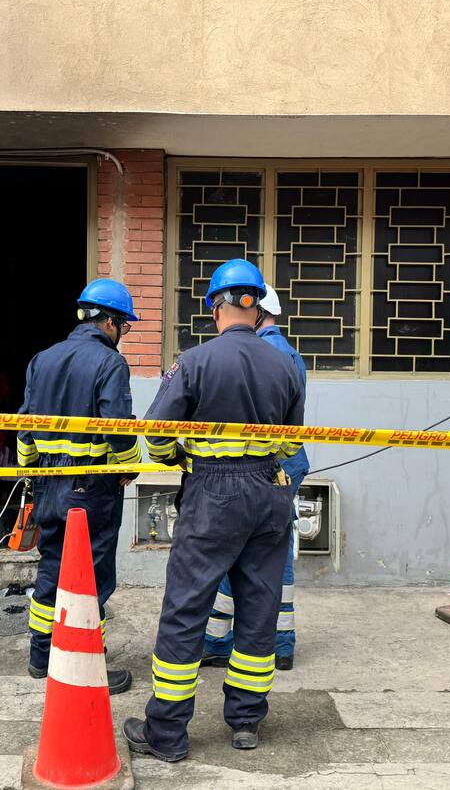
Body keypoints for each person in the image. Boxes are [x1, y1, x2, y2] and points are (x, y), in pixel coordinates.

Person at [123, 259, 305, 761]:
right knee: (259, 605)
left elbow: (155, 433)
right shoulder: (286, 364)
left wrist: (176, 458)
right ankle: (246, 719)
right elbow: (291, 442)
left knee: (186, 607)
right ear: (257, 305)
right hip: (270, 495)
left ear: (213, 307)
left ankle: (167, 734)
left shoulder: (194, 361)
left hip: (211, 496)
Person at [17, 278, 142, 695]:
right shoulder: (110, 364)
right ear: (109, 322)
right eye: (123, 326)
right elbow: (118, 429)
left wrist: (32, 471)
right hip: (93, 484)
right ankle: (88, 664)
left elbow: (24, 425)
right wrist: (129, 467)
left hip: (51, 481)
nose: (122, 334)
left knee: (52, 566)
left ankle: (41, 656)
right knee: (92, 575)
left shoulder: (42, 359)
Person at [202, 283, 309, 671]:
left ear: (256, 312)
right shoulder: (288, 354)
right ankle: (278, 643)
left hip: (260, 470)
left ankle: (222, 640)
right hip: (283, 466)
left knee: (242, 552)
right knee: (270, 554)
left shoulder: (265, 353)